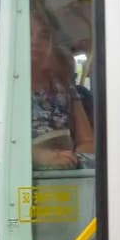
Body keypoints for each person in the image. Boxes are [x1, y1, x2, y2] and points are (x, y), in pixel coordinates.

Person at [30, 12, 94, 170]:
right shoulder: (3, 88)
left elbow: (88, 142)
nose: (36, 41)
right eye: (28, 33)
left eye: (44, 36)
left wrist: (72, 159)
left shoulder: (63, 87)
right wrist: (38, 156)